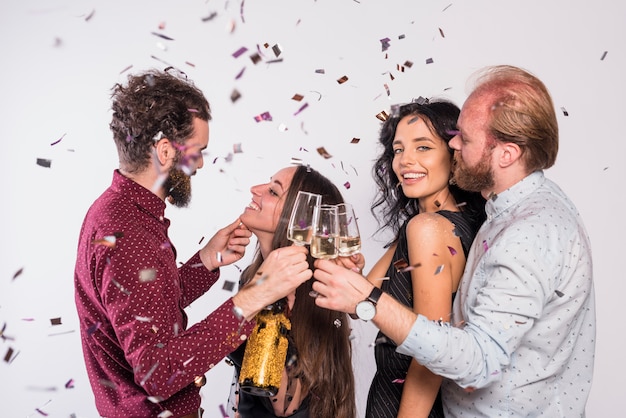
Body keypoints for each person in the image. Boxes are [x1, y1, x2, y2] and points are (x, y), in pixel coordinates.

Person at [312, 65, 596, 417]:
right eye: (398, 149)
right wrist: (353, 285)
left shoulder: (526, 230)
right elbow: (363, 303)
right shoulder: (506, 213)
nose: (455, 142)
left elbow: (473, 359)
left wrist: (366, 299)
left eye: (463, 138)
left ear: (506, 154)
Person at [74, 69, 312, 418]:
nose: (200, 163)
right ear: (166, 151)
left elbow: (147, 306)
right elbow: (158, 373)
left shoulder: (118, 212)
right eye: (197, 151)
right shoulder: (128, 235)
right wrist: (254, 296)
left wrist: (206, 261)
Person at [363, 99, 485, 418]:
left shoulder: (427, 228)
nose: (406, 161)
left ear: (455, 154)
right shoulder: (446, 223)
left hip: (410, 406)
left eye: (423, 147)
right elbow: (364, 299)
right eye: (399, 149)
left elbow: (433, 353)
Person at [226, 165, 356, 418]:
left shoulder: (313, 293)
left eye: (273, 191)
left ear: (301, 221)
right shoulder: (252, 277)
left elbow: (284, 405)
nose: (255, 190)